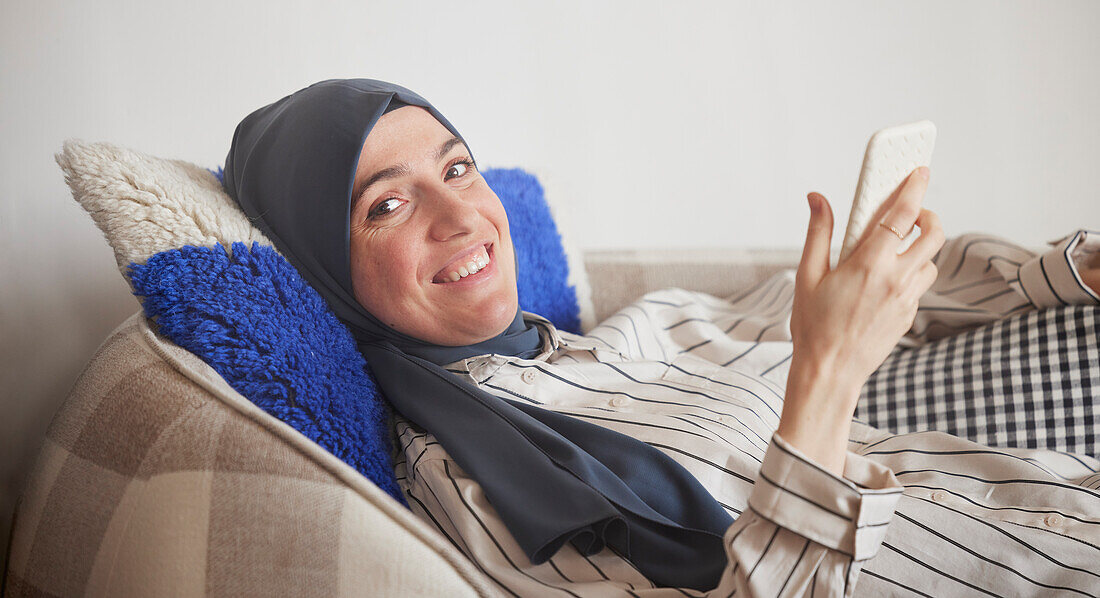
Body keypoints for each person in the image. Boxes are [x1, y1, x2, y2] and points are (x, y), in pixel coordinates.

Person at [224, 79, 1100, 596]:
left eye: (457, 169)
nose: (463, 217)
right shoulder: (473, 480)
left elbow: (886, 293)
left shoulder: (655, 326)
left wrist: (1070, 270)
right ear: (322, 272)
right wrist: (828, 375)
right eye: (387, 203)